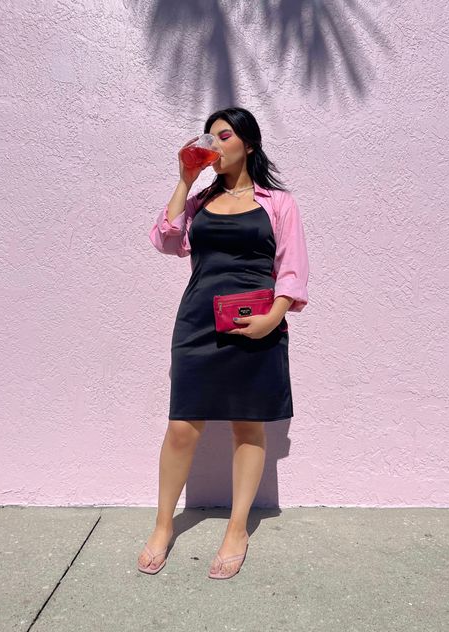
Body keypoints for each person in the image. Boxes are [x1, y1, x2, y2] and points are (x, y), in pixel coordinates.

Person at [138, 107, 310, 579]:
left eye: (224, 135)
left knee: (248, 426)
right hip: (197, 320)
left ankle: (236, 529)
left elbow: (292, 268)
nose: (213, 143)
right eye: (208, 136)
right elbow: (166, 240)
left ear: (248, 145)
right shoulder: (200, 200)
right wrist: (184, 180)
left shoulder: (278, 202)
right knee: (181, 428)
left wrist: (272, 320)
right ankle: (161, 526)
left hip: (258, 323)